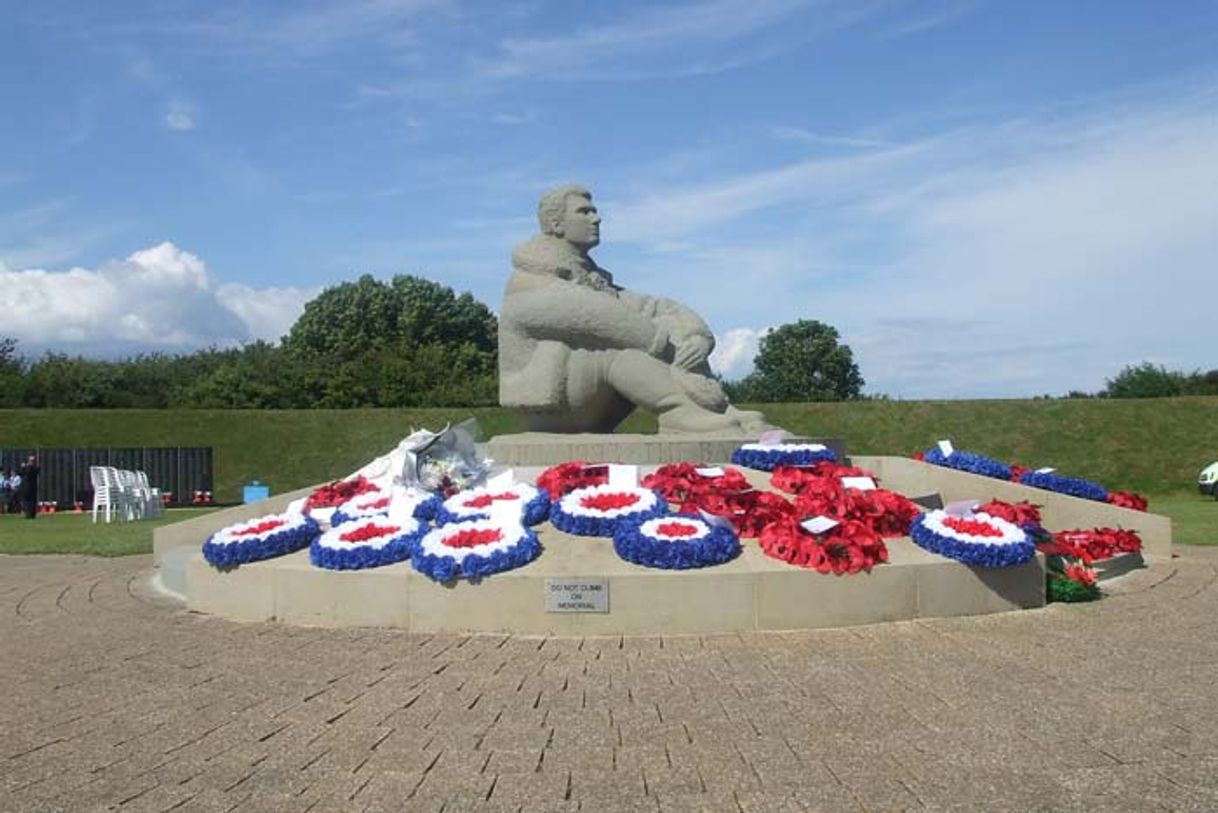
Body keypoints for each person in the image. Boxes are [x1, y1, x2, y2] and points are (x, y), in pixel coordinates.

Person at [499, 184, 768, 434]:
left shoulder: (592, 277)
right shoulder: (530, 280)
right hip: (553, 408)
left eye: (594, 211)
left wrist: (696, 336)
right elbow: (599, 316)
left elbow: (651, 306)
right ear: (556, 224)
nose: (596, 218)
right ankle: (678, 411)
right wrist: (663, 342)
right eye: (584, 212)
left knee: (667, 323)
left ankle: (713, 407)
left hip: (590, 401)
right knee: (618, 346)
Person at [17, 454, 40, 519]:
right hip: (33, 486)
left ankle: (28, 514)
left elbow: (23, 473)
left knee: (27, 501)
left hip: (26, 486)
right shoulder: (36, 468)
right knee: (32, 500)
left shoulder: (29, 468)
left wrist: (23, 467)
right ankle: (32, 514)